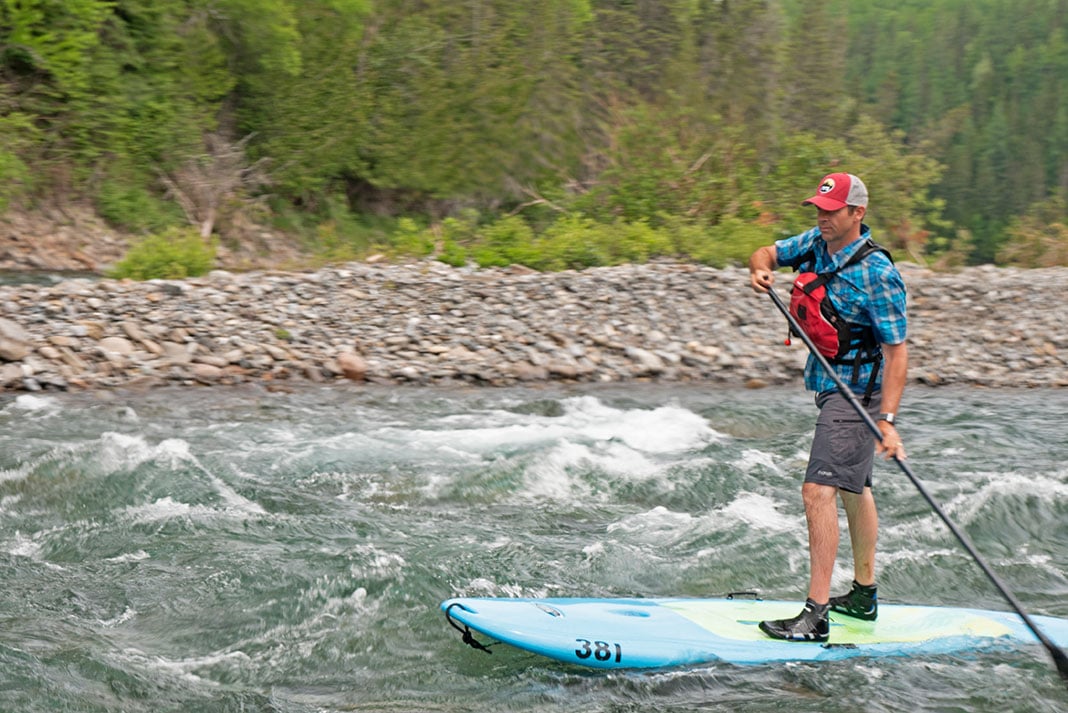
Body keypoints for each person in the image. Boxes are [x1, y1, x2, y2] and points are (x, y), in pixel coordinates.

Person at [747, 172, 908, 642]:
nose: (822, 217)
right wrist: (760, 269)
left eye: (832, 210)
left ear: (857, 213)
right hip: (829, 387)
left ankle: (815, 615)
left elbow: (898, 352)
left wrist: (887, 421)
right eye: (818, 208)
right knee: (854, 488)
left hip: (858, 395)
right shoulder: (816, 242)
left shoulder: (879, 274)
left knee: (818, 490)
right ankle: (863, 595)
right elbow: (768, 253)